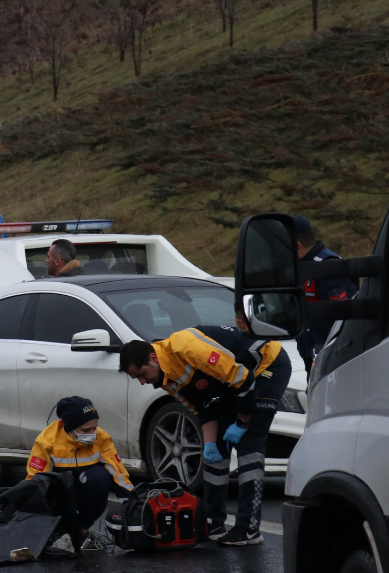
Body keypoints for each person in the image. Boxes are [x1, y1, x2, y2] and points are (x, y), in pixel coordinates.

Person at [119, 324, 291, 546]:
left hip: (266, 365)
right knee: (217, 449)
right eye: (137, 379)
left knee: (249, 444)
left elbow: (242, 379)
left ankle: (248, 529)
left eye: (142, 375)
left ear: (153, 358)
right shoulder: (165, 377)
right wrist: (210, 445)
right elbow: (202, 408)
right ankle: (214, 523)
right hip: (235, 381)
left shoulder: (187, 348)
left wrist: (241, 422)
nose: (142, 382)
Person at [26, 396, 133, 550]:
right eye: (85, 430)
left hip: (83, 489)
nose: (92, 433)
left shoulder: (101, 438)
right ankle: (57, 530)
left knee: (100, 477)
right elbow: (35, 482)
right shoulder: (47, 441)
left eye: (94, 428)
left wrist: (131, 500)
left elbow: (117, 471)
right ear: (69, 426)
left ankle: (81, 530)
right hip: (59, 496)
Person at [293, 216, 359, 371]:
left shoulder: (327, 268)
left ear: (297, 247)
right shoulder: (304, 270)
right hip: (318, 365)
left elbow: (347, 324)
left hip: (337, 366)